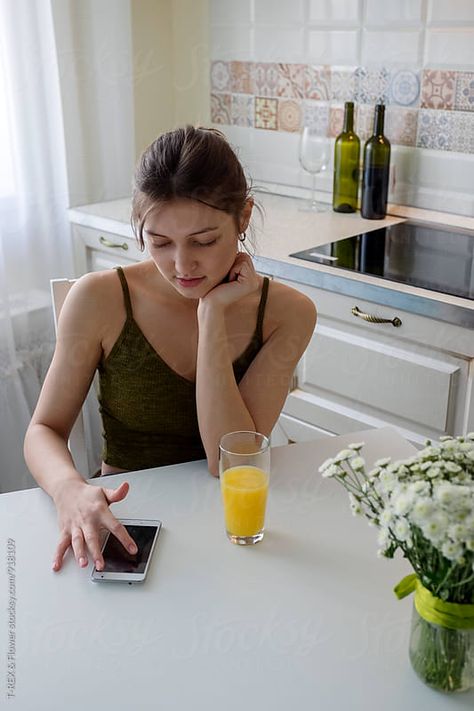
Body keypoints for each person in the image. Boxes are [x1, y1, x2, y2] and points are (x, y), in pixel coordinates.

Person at [24, 125, 317, 574]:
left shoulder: (288, 313)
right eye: (159, 242)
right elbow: (43, 429)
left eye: (203, 242)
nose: (182, 266)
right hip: (129, 519)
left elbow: (227, 461)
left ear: (243, 218)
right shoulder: (100, 298)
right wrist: (69, 489)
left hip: (231, 525)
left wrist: (211, 317)